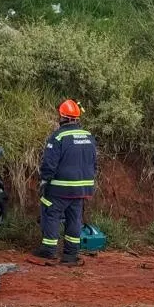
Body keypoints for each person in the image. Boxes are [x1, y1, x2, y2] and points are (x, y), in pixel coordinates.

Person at [33, 100, 97, 266]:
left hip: (60, 188)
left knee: (51, 214)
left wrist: (44, 181)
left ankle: (49, 250)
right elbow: (94, 163)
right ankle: (71, 253)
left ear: (62, 117)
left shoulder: (58, 137)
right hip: (82, 189)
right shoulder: (88, 136)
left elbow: (49, 164)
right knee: (74, 219)